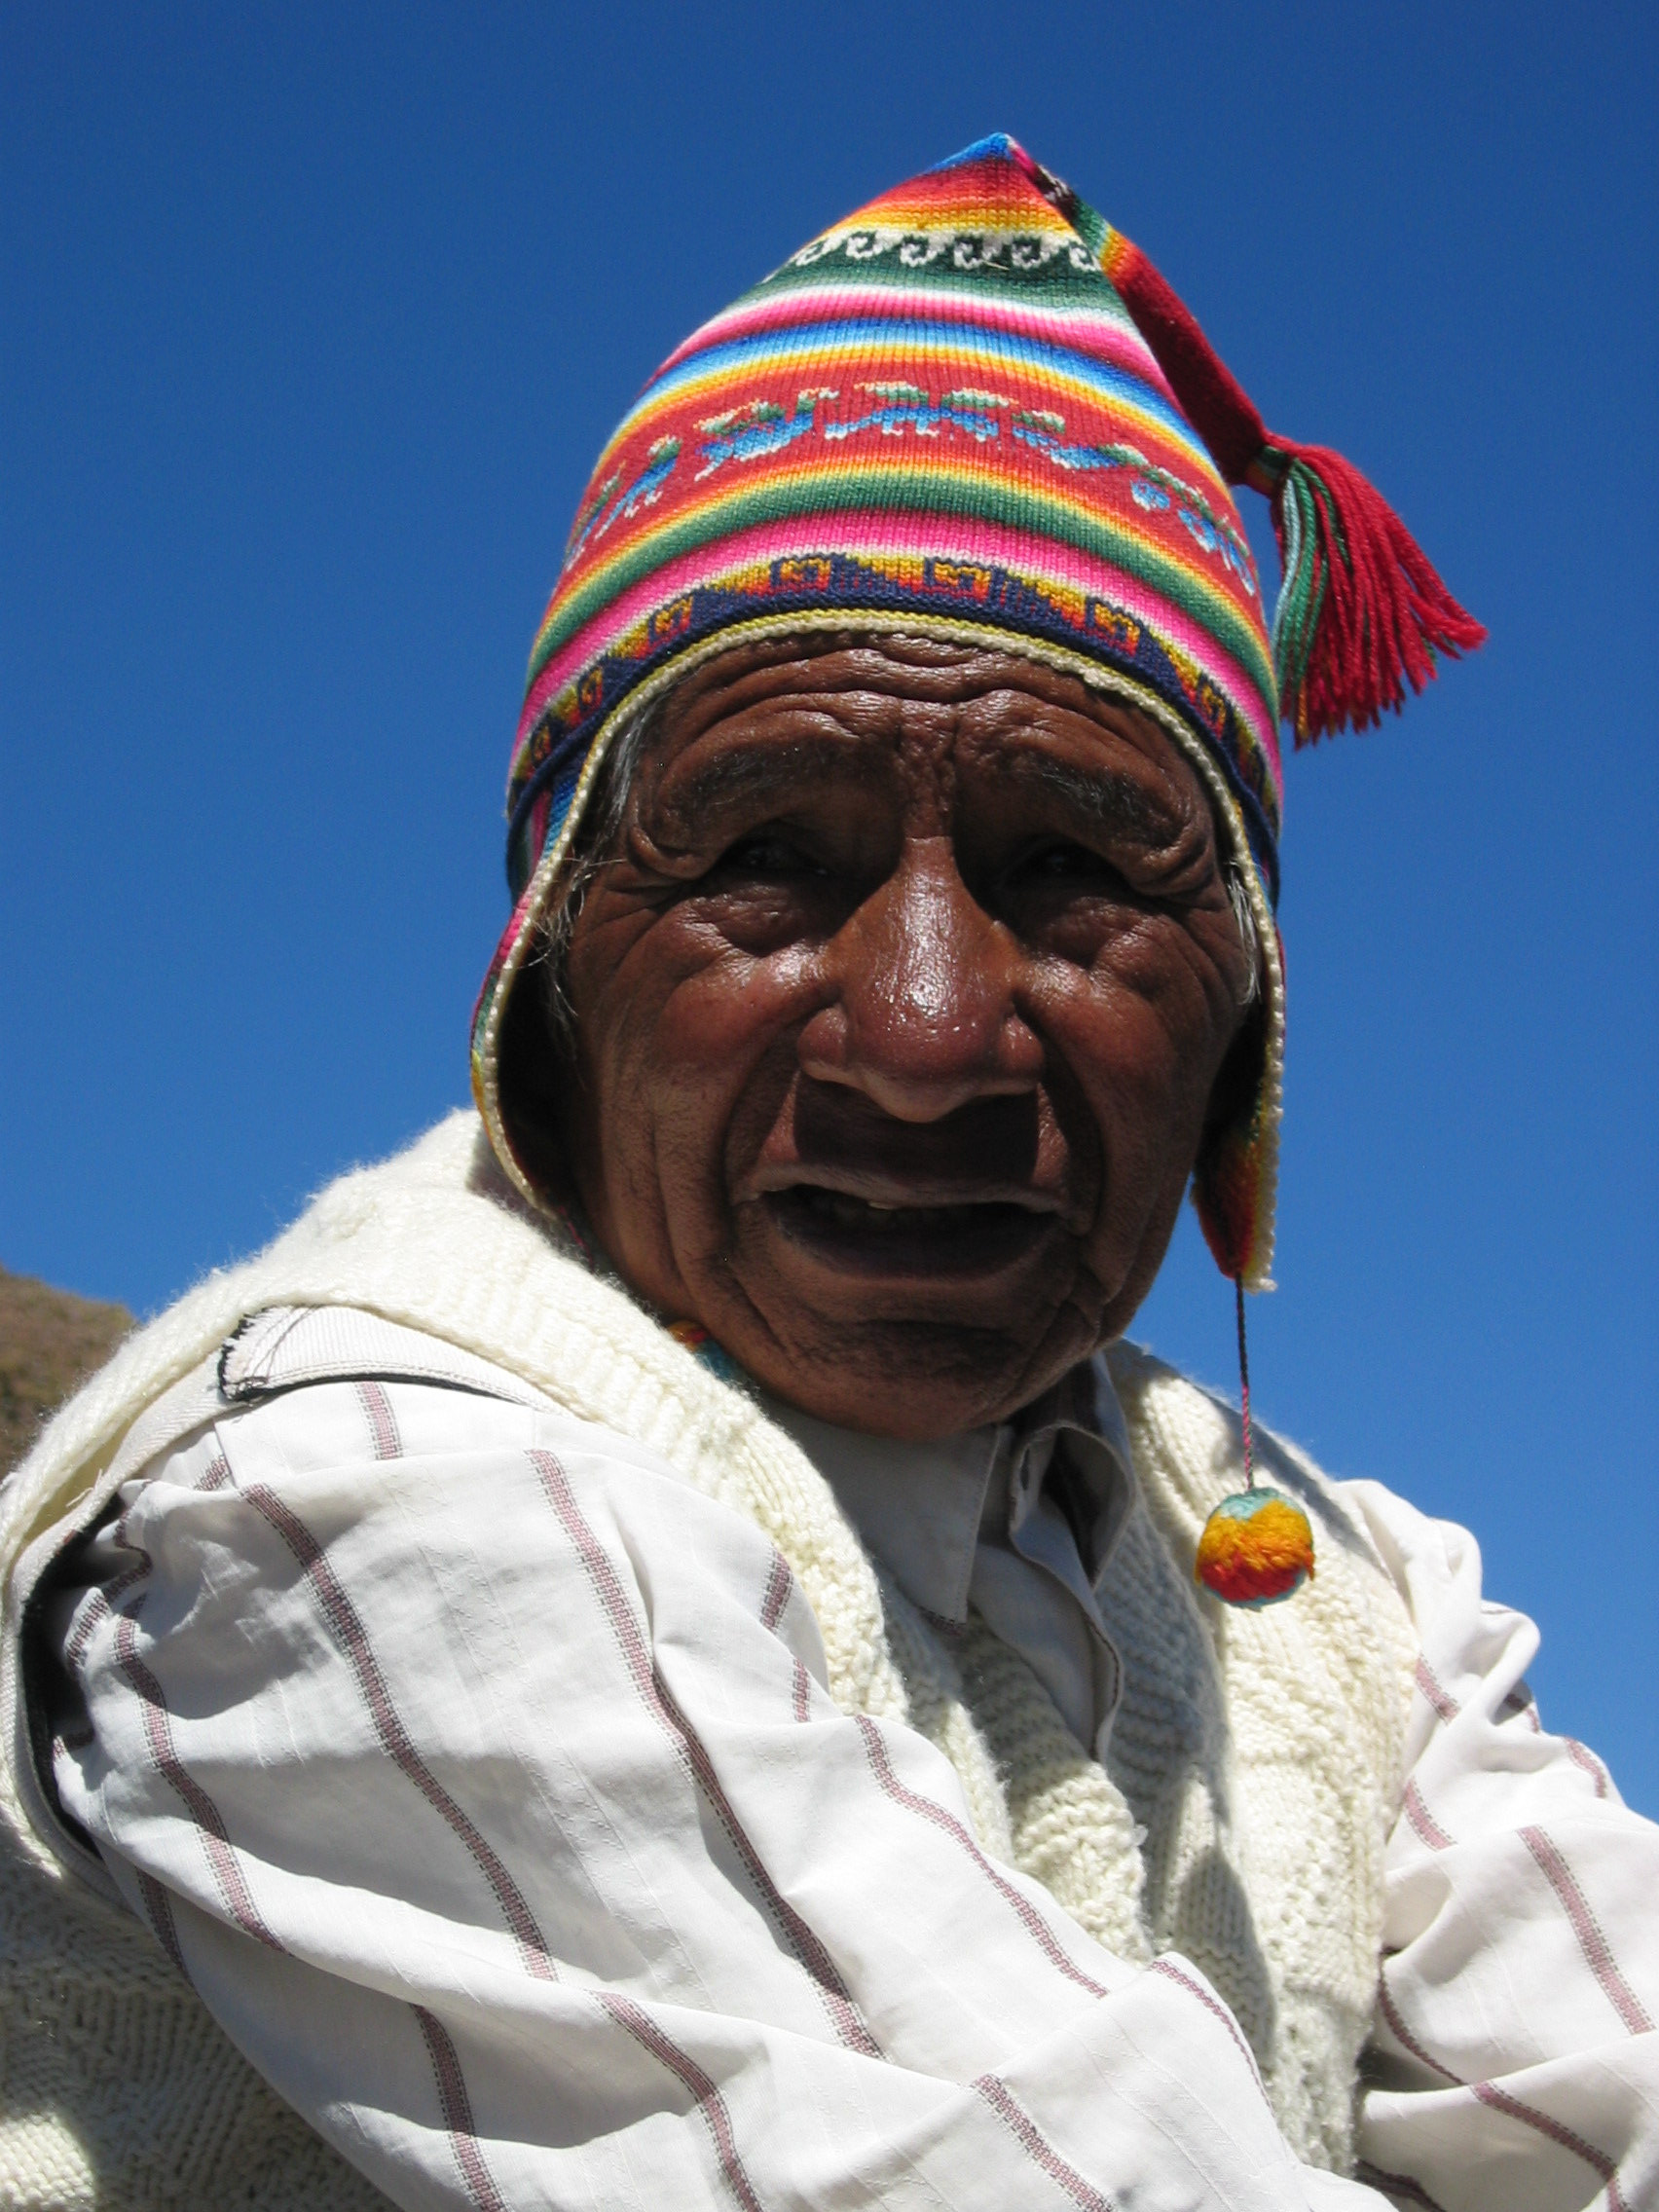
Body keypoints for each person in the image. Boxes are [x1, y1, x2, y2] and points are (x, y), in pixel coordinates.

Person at [2, 136, 1653, 2212]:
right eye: (767, 856)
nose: (931, 1032)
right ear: (556, 968)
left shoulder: (1355, 1595)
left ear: (1244, 1015)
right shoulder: (357, 1500)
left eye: (1079, 870)